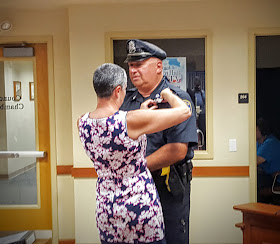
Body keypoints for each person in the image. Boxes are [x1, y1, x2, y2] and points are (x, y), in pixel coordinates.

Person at [78, 63, 191, 244]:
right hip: (139, 209)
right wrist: (168, 94)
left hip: (107, 210)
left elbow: (113, 133)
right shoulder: (129, 120)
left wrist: (139, 114)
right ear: (117, 91)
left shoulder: (82, 122)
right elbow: (184, 112)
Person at [120, 39, 198, 244]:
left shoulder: (177, 100)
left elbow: (177, 150)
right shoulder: (125, 102)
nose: (133, 70)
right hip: (131, 189)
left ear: (158, 66)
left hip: (166, 187)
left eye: (139, 65)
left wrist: (135, 167)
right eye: (130, 66)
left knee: (171, 239)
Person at [256, 117, 280, 203]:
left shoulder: (270, 143)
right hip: (268, 176)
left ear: (263, 131)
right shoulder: (258, 142)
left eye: (255, 130)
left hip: (276, 179)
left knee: (255, 190)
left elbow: (254, 161)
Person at [189, 77, 206, 150]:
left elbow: (205, 101)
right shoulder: (192, 92)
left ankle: (204, 146)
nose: (197, 83)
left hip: (202, 114)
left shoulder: (202, 92)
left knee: (203, 131)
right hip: (194, 114)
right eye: (195, 81)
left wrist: (201, 93)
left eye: (198, 81)